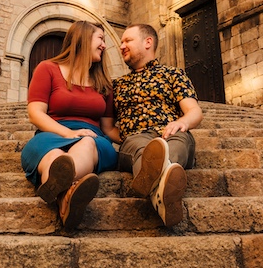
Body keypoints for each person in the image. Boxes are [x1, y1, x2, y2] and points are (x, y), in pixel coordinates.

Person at [20, 21, 118, 230]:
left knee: (86, 144)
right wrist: (69, 133)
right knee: (55, 157)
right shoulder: (47, 69)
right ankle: (67, 199)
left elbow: (109, 128)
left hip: (93, 139)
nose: (104, 45)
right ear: (83, 38)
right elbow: (35, 113)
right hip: (51, 133)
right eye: (100, 38)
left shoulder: (104, 84)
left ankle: (56, 186)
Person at [109, 23, 203, 227]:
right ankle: (164, 189)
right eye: (121, 42)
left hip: (171, 133)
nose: (122, 45)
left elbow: (194, 111)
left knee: (179, 141)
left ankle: (154, 185)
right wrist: (126, 138)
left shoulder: (173, 74)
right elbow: (107, 127)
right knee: (140, 148)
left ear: (148, 42)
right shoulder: (116, 86)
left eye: (127, 40)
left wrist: (181, 123)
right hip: (135, 139)